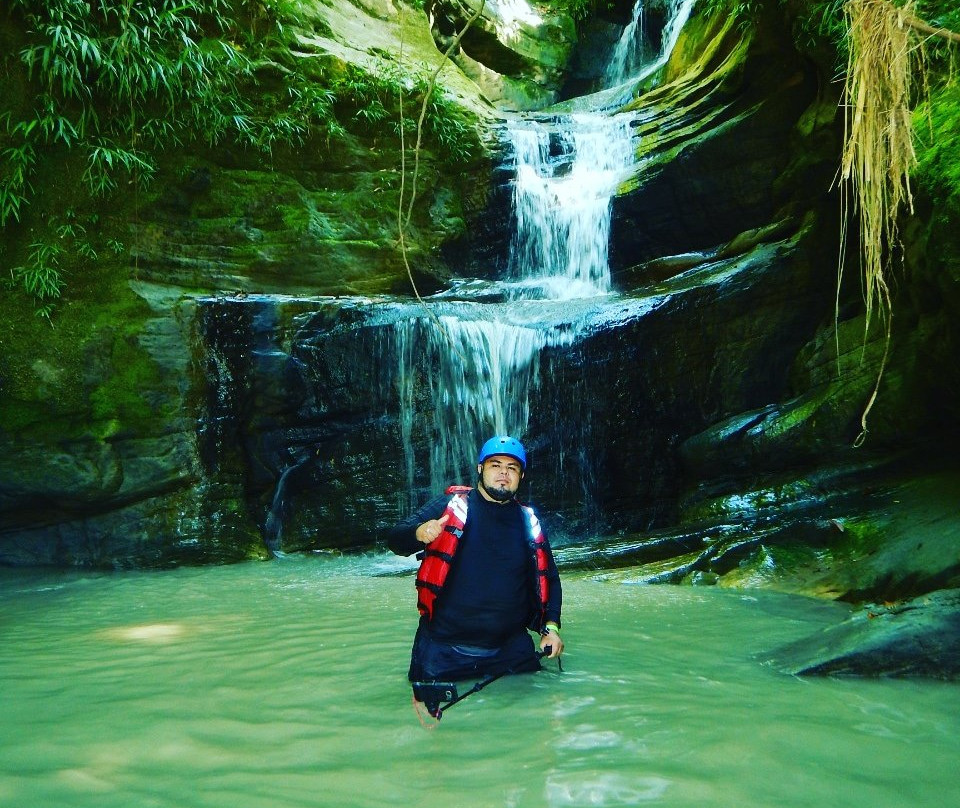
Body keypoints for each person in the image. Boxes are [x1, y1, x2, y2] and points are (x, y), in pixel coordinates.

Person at [387, 435, 563, 685]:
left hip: (510, 651)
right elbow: (395, 539)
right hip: (444, 651)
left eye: (512, 468)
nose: (504, 473)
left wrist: (552, 629)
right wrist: (418, 532)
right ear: (480, 469)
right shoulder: (450, 506)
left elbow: (552, 580)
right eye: (495, 465)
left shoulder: (528, 522)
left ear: (521, 476)